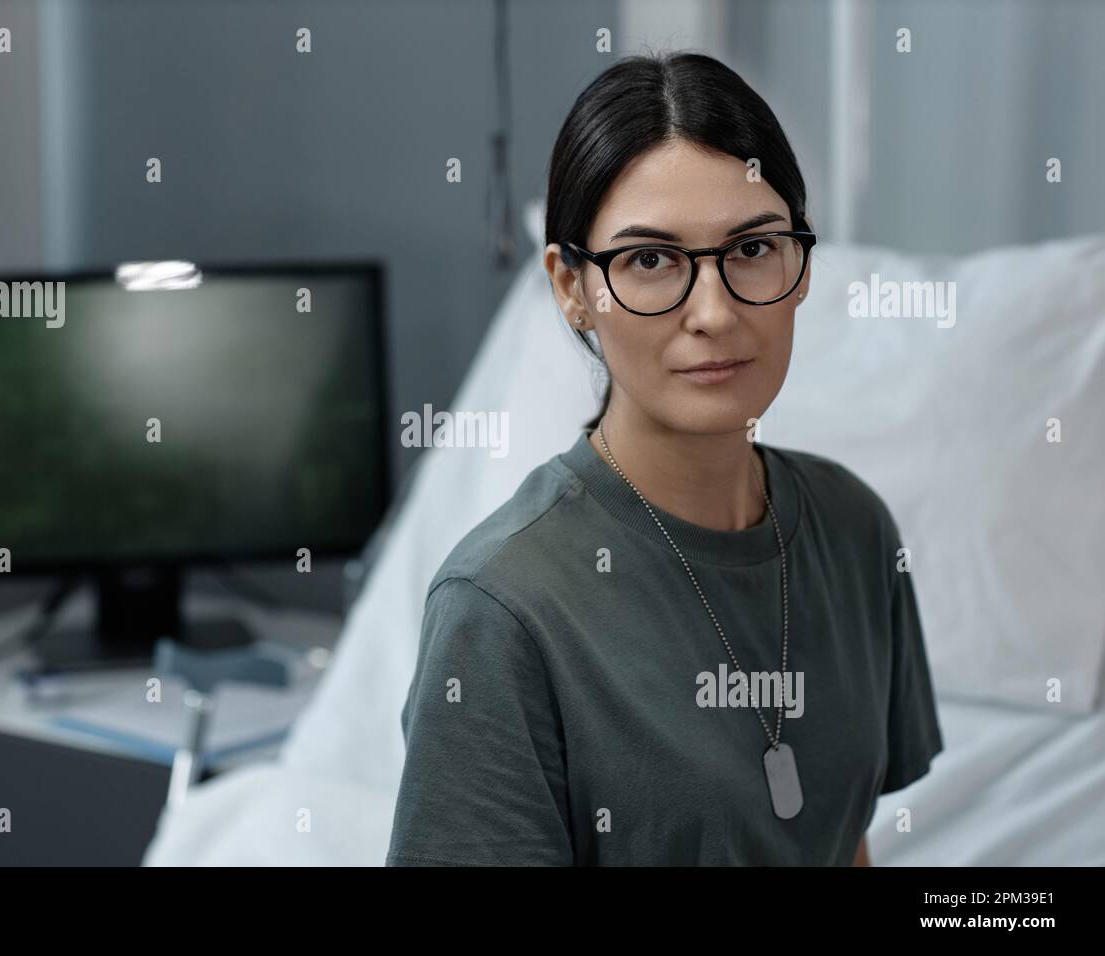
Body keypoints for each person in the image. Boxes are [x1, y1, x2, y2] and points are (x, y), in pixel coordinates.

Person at [386, 50, 943, 866]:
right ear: (572, 288)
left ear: (801, 269)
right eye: (650, 260)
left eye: (752, 249)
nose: (713, 312)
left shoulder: (853, 531)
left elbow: (838, 842)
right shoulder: (501, 612)